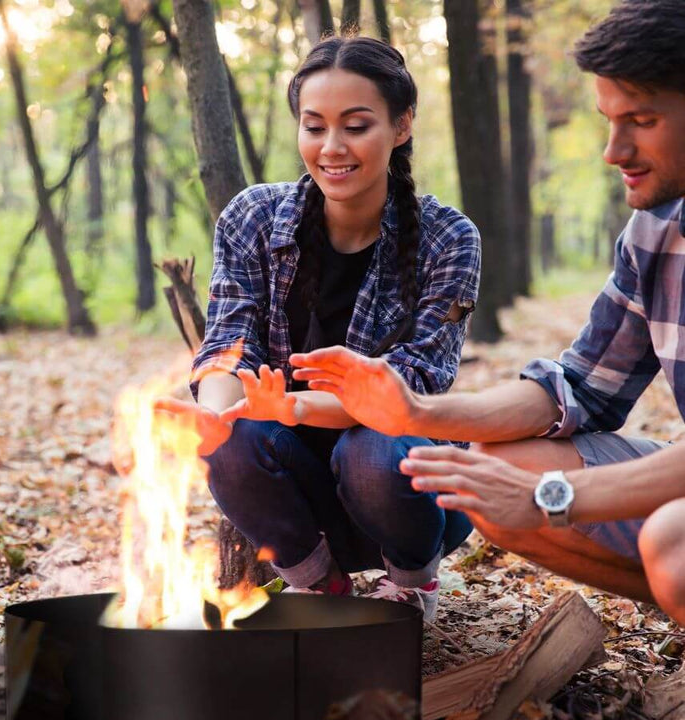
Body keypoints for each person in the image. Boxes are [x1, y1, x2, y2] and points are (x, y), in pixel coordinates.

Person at [289, 0, 685, 625]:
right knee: (492, 474)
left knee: (670, 545)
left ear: (401, 126)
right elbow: (580, 387)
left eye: (640, 120)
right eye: (608, 120)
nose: (613, 151)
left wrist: (552, 495)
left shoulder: (444, 234)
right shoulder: (654, 235)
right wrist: (416, 410)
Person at [166, 36, 481, 622]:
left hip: (407, 491)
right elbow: (229, 344)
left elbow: (410, 390)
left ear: (402, 125)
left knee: (372, 446)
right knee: (227, 440)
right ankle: (319, 589)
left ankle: (411, 589)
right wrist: (214, 415)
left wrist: (294, 407)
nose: (332, 148)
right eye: (314, 127)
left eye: (356, 126)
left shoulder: (448, 238)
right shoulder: (254, 218)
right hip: (295, 492)